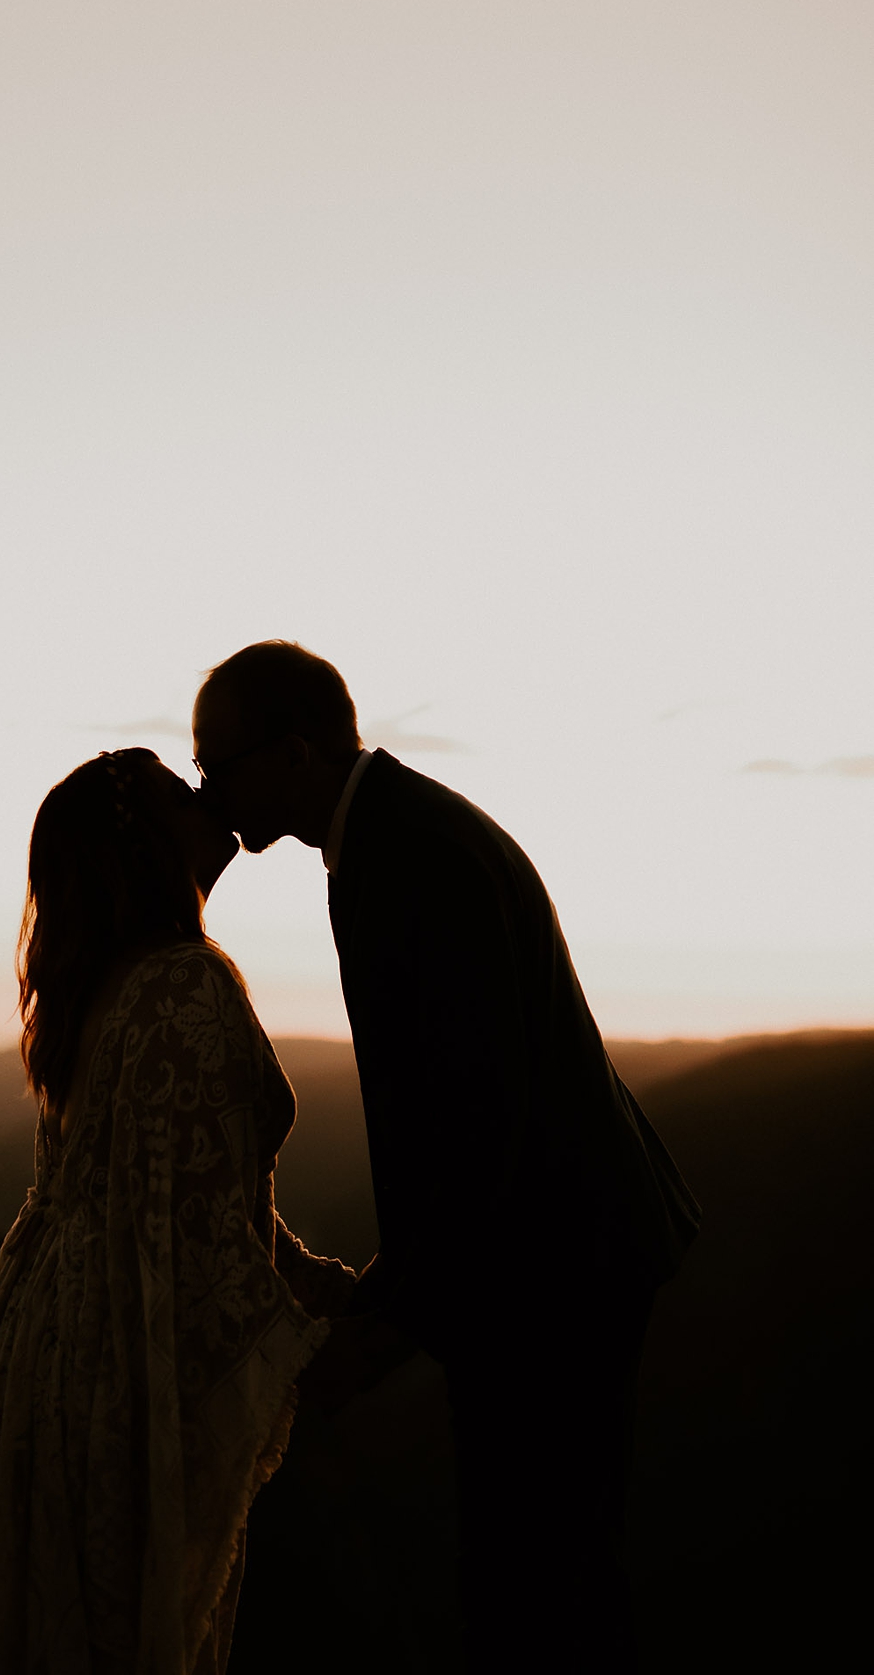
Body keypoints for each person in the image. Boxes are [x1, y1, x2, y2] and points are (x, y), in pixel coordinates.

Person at [192, 642, 702, 1674]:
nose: (208, 791)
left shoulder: (406, 854)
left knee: (537, 1583)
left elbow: (476, 1116)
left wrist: (386, 1330)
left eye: (219, 764)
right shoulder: (391, 835)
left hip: (560, 1267)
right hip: (553, 1254)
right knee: (541, 1574)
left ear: (293, 753)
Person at [0, 747, 355, 1675]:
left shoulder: (105, 984)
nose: (203, 796)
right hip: (110, 1358)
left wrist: (320, 1283)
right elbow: (203, 1250)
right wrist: (342, 1338)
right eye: (176, 789)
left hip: (39, 1348)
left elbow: (184, 1193)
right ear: (144, 839)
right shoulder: (185, 985)